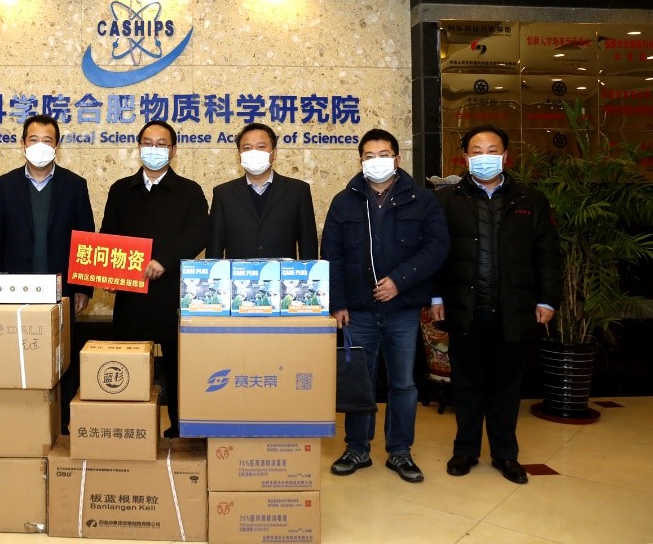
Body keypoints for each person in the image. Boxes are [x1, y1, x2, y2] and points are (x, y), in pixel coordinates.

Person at [431, 124, 561, 484]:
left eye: (492, 151)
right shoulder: (447, 200)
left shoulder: (530, 200)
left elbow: (548, 254)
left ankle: (505, 454)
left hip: (513, 310)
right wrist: (436, 296)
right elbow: (435, 254)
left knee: (507, 388)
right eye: (477, 151)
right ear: (465, 158)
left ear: (505, 156)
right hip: (465, 308)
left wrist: (547, 299)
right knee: (467, 386)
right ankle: (466, 451)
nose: (484, 157)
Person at [321, 128, 450, 483]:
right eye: (369, 156)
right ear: (360, 161)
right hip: (358, 311)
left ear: (397, 158)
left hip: (403, 309)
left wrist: (400, 281)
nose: (376, 162)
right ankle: (357, 448)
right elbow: (331, 254)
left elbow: (437, 247)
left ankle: (400, 450)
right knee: (359, 382)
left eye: (384, 155)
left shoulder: (422, 200)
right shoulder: (344, 201)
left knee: (403, 384)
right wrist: (337, 303)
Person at [0, 114, 94, 431]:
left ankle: (63, 423)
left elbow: (85, 239)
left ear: (57, 146)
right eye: (34, 140)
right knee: (16, 355)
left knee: (62, 359)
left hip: (61, 291)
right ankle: (20, 422)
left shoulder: (75, 185)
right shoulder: (5, 185)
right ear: (23, 143)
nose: (40, 146)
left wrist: (83, 287)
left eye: (48, 140)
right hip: (15, 291)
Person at [100, 120, 209, 437]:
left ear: (173, 151)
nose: (154, 149)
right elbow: (108, 235)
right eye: (148, 143)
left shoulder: (189, 191)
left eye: (162, 144)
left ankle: (181, 426)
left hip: (172, 292)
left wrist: (165, 260)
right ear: (138, 147)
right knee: (130, 363)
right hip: (131, 295)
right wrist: (108, 273)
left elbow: (200, 232)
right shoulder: (121, 189)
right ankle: (131, 426)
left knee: (177, 365)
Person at [208, 122, 317, 259]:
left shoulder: (298, 191)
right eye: (247, 148)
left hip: (283, 272)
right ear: (239, 155)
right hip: (239, 273)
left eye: (261, 147)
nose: (254, 153)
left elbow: (308, 247)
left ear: (274, 153)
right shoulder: (223, 194)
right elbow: (214, 247)